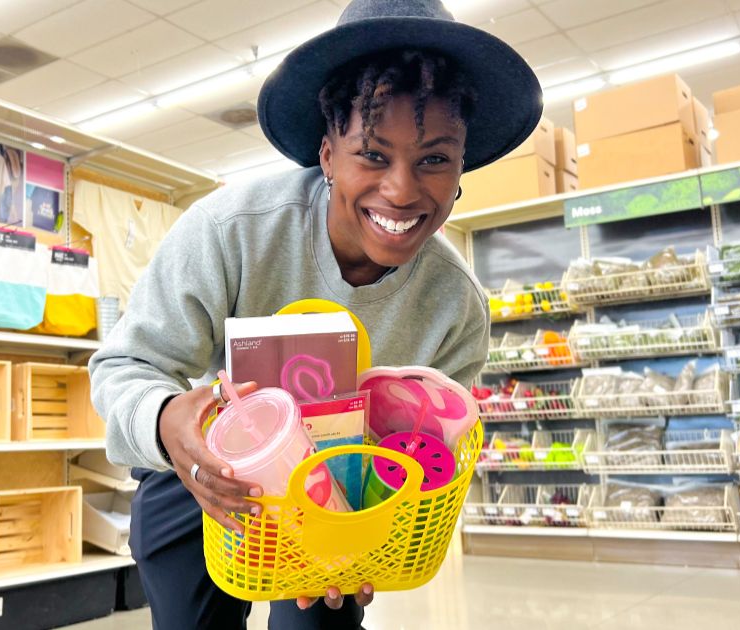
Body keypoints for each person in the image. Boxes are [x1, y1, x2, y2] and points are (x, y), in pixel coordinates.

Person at [89, 1, 541, 628]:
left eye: (435, 159)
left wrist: (385, 525)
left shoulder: (454, 303)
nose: (403, 190)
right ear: (327, 154)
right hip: (208, 476)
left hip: (346, 495)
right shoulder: (231, 231)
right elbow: (126, 363)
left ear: (463, 162)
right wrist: (167, 421)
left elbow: (434, 449)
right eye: (373, 156)